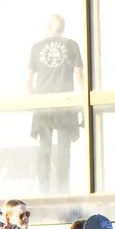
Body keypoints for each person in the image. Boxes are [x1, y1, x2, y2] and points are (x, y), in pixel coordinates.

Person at [27, 14, 85, 195]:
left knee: (44, 147)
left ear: (47, 26)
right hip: (65, 103)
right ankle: (63, 190)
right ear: (63, 28)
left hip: (43, 103)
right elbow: (79, 78)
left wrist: (34, 102)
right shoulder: (72, 45)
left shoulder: (36, 48)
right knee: (63, 149)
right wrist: (83, 105)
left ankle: (43, 189)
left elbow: (28, 82)